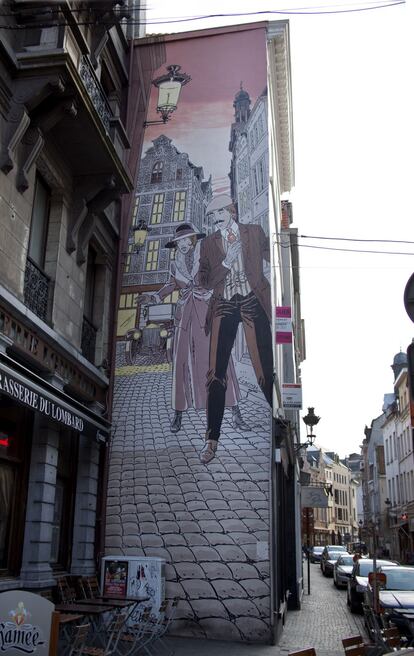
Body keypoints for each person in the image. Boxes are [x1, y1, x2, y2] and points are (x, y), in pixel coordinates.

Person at [198, 194, 273, 464]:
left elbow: (273, 255)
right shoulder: (208, 244)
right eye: (212, 217)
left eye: (219, 214)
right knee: (215, 373)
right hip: (223, 304)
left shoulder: (253, 232)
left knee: (264, 368)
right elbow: (203, 280)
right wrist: (227, 261)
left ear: (230, 211)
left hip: (252, 299)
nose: (215, 220)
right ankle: (212, 439)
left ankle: (276, 421)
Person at [151, 223, 247, 433]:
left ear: (193, 240)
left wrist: (228, 261)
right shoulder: (175, 265)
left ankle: (236, 413)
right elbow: (171, 285)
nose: (183, 244)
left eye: (187, 240)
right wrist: (155, 296)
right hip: (185, 317)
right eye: (179, 242)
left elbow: (216, 278)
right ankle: (178, 414)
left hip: (206, 314)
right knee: (181, 363)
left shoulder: (204, 258)